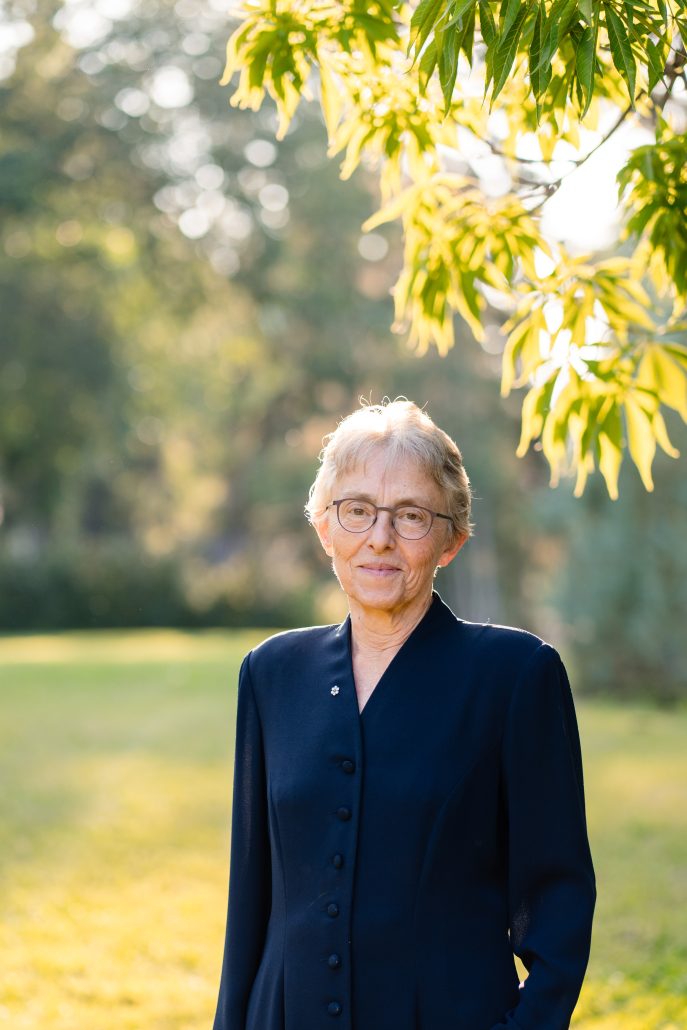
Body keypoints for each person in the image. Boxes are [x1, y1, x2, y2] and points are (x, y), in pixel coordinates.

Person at [211, 399, 596, 1030]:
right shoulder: (271, 673)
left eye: (411, 516)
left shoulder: (515, 675)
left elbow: (557, 900)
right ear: (324, 527)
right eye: (357, 510)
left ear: (451, 541)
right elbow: (249, 904)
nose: (380, 538)